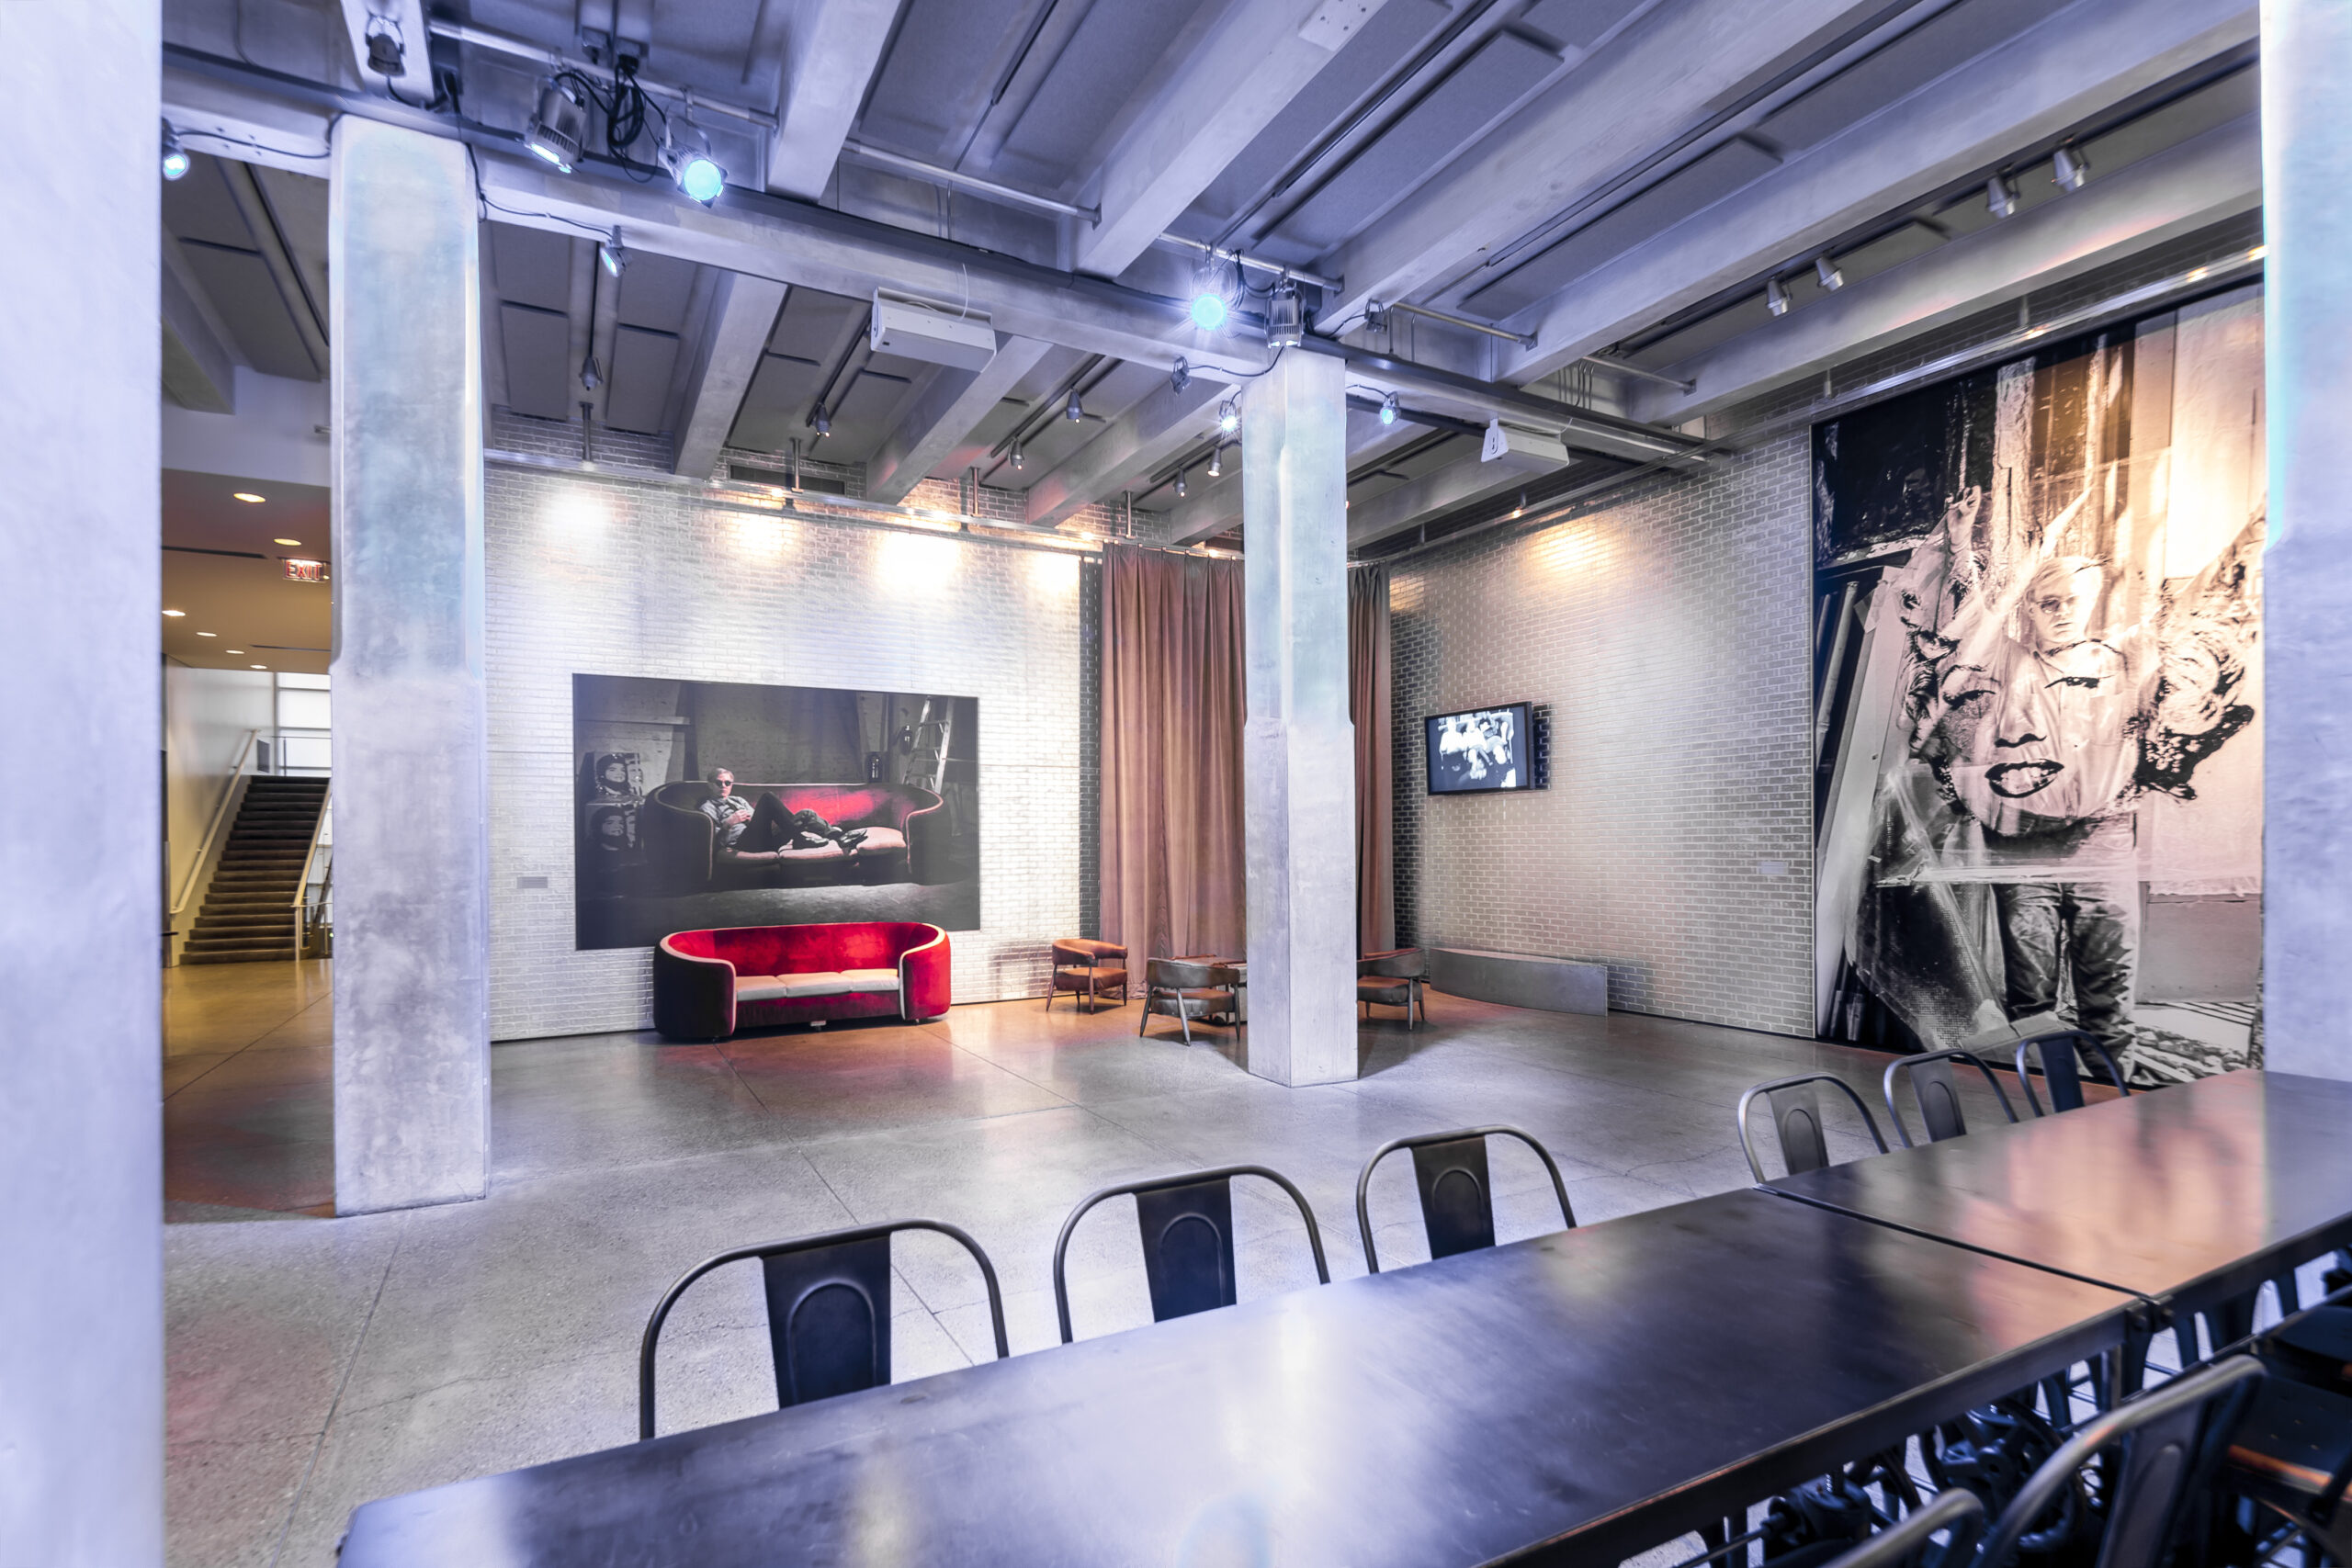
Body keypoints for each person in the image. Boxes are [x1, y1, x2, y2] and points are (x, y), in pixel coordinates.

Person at [1924, 556, 2138, 1064]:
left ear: (2090, 604)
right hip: (2022, 842)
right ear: (2030, 609)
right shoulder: (2009, 660)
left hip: (2101, 841)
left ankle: (2116, 1099)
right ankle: (2043, 1103)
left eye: (2074, 602)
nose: (2063, 612)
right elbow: (1973, 617)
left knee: (2109, 985)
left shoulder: (2118, 663)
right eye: (2049, 603)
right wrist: (1958, 547)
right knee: (2031, 991)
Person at [698, 768, 866, 859]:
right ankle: (800, 839)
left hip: (764, 838)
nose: (723, 786)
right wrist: (729, 824)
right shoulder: (708, 807)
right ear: (710, 785)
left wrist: (754, 819)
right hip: (743, 843)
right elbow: (712, 842)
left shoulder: (739, 800)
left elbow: (758, 821)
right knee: (768, 798)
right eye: (718, 783)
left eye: (727, 782)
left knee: (806, 814)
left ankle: (840, 837)